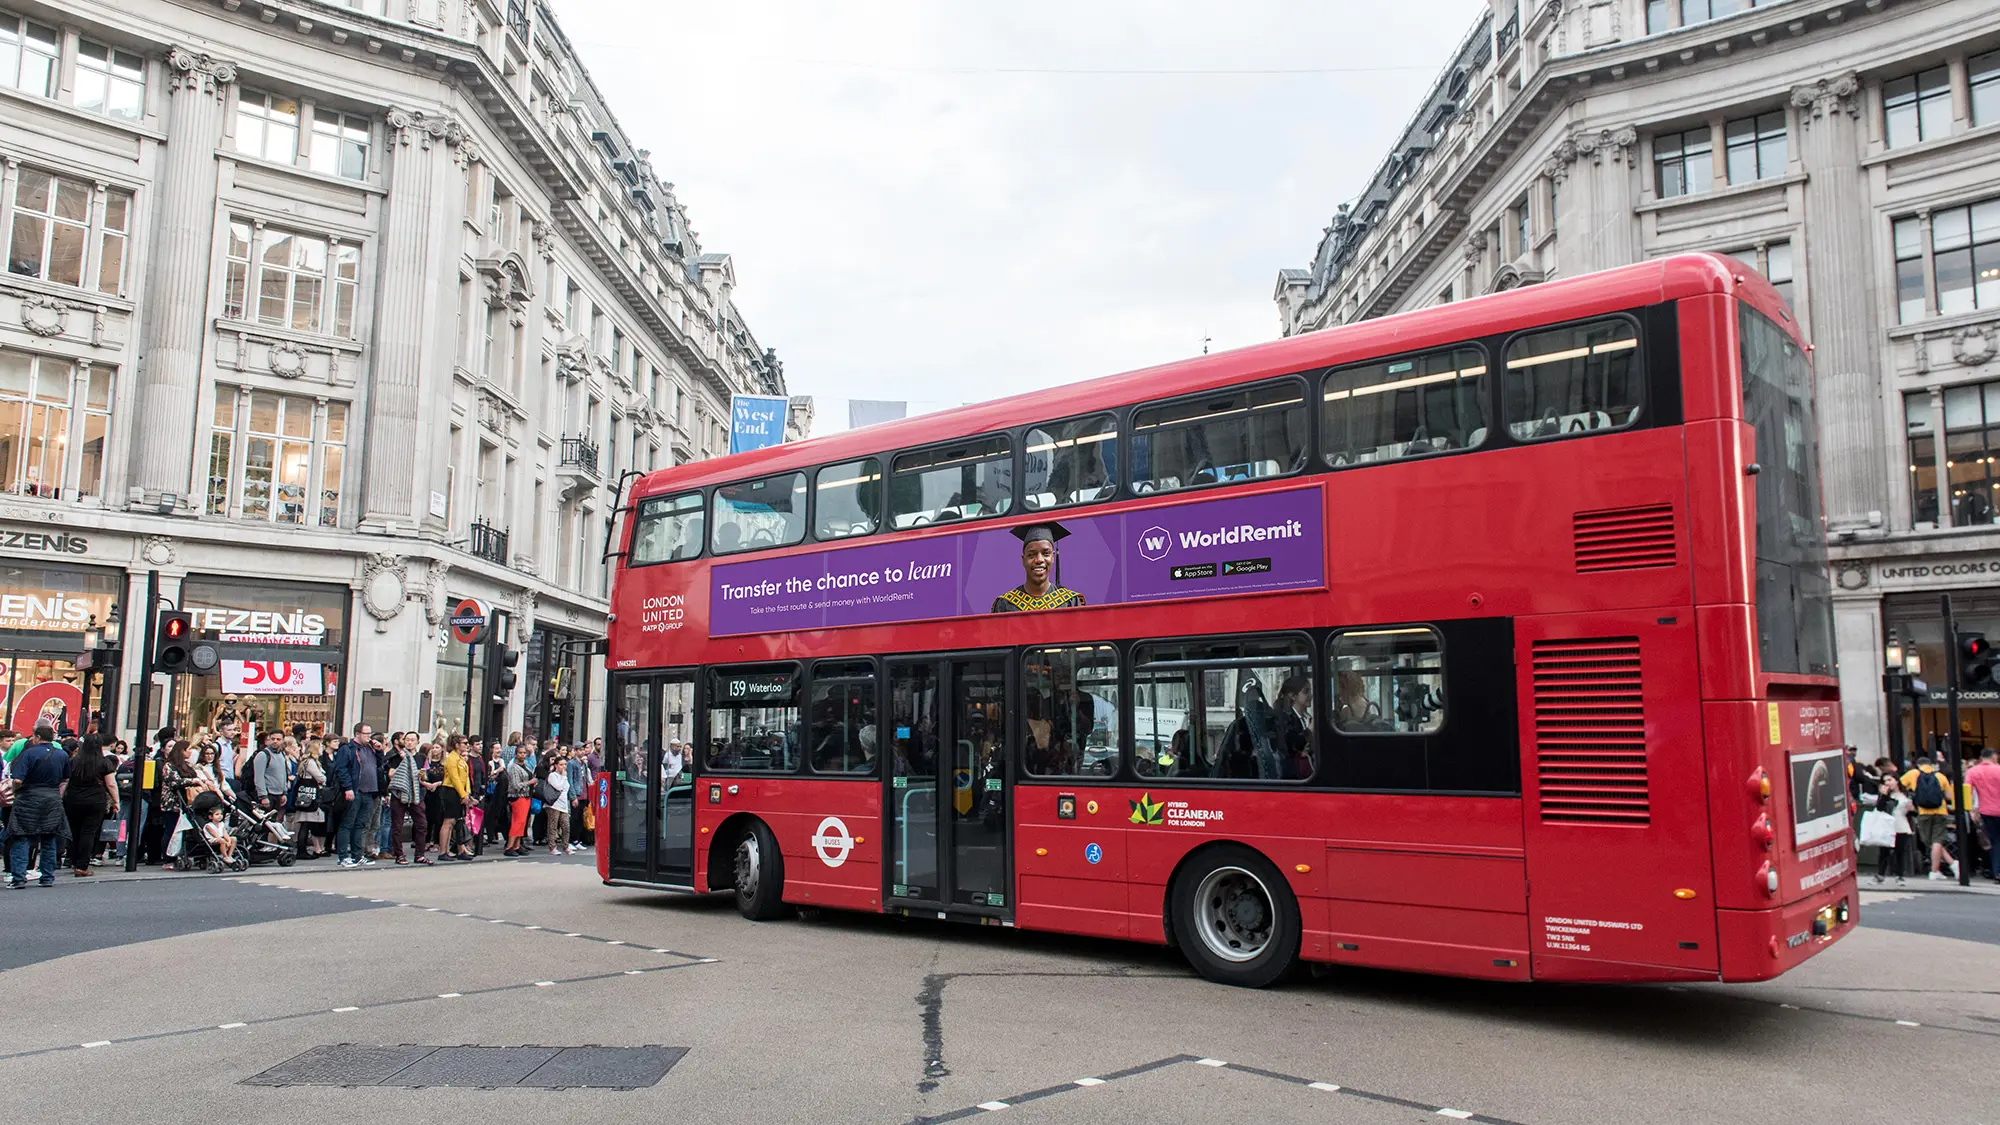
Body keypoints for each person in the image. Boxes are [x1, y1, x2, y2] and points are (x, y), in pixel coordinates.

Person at [6, 723, 68, 888]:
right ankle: (47, 877)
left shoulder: (28, 754)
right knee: (49, 838)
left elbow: (18, 780)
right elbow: (65, 780)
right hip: (52, 799)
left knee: (21, 837)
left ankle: (19, 878)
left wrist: (15, 791)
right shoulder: (62, 755)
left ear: (37, 737)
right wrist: (58, 796)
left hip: (28, 798)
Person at [989, 523, 1086, 612]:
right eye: (1031, 555)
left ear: (1053, 558)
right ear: (1023, 559)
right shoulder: (1005, 604)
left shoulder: (1071, 602)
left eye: (1046, 554)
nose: (1039, 560)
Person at [62, 735, 117, 877]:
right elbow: (111, 784)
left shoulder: (73, 761)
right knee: (89, 832)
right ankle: (82, 865)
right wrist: (116, 801)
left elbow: (65, 781)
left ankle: (73, 860)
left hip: (73, 798)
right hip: (95, 800)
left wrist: (61, 797)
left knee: (74, 831)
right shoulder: (104, 762)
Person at [331, 723, 381, 868]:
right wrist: (348, 788)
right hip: (355, 790)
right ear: (357, 734)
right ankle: (343, 856)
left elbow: (378, 765)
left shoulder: (370, 748)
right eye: (366, 734)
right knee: (347, 823)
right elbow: (341, 769)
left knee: (360, 824)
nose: (369, 737)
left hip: (369, 791)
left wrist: (379, 751)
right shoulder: (348, 749)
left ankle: (357, 855)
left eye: (370, 734)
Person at [387, 734, 430, 866]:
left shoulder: (421, 757)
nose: (409, 743)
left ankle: (420, 854)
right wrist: (404, 767)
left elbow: (424, 777)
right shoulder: (398, 756)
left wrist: (422, 775)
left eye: (412, 740)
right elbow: (391, 774)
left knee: (421, 824)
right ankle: (399, 854)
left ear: (417, 742)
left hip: (416, 793)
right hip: (401, 793)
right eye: (407, 740)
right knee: (397, 826)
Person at [290, 739, 331, 859]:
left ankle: (309, 848)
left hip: (304, 793)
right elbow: (320, 777)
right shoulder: (311, 762)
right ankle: (301, 851)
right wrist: (323, 777)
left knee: (306, 824)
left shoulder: (305, 761)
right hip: (309, 794)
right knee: (305, 824)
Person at [438, 735, 474, 861]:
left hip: (459, 791)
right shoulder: (452, 758)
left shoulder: (460, 759)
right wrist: (463, 794)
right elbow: (455, 778)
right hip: (450, 791)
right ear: (457, 745)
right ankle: (443, 851)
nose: (466, 745)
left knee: (458, 821)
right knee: (448, 821)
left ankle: (458, 849)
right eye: (464, 743)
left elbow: (466, 778)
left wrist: (467, 793)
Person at [1967, 747, 2000, 883]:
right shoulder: (1998, 769)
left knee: (1995, 841)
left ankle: (1997, 871)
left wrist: (1971, 810)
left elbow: (1966, 790)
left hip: (1986, 811)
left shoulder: (1972, 771)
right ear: (1994, 757)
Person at [1274, 674, 1314, 780]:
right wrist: (1310, 730)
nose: (1310, 695)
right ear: (1293, 696)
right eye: (1306, 692)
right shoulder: (1285, 718)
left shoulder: (1305, 717)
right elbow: (1294, 744)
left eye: (1310, 691)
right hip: (1292, 774)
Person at [248, 731, 290, 818]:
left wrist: (284, 792)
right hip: (268, 794)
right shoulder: (263, 755)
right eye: (272, 739)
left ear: (282, 741)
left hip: (278, 795)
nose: (275, 741)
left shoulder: (282, 754)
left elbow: (284, 774)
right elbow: (259, 777)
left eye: (278, 739)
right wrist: (263, 796)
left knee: (273, 823)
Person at [503, 744, 534, 856]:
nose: (522, 755)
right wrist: (530, 783)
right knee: (517, 822)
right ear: (516, 754)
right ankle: (509, 846)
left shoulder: (525, 766)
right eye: (520, 753)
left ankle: (517, 845)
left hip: (526, 796)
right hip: (518, 796)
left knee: (522, 822)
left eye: (524, 753)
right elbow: (516, 785)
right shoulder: (514, 768)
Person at [544, 746, 572, 855]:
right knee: (553, 826)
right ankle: (552, 847)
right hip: (554, 804)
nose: (563, 767)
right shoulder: (552, 775)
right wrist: (564, 778)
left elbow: (566, 788)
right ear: (556, 765)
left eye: (564, 765)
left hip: (564, 804)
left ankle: (566, 845)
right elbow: (559, 787)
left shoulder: (564, 776)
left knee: (566, 826)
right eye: (561, 765)